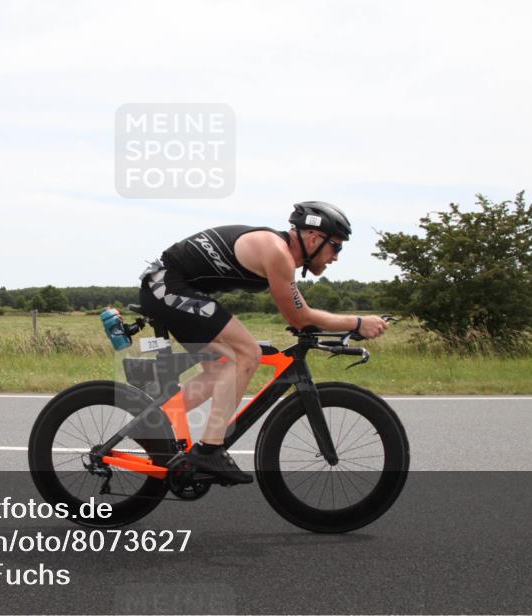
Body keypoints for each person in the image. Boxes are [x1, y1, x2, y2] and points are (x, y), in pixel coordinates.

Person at [137, 201, 389, 484]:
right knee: (248, 353)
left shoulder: (278, 252)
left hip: (170, 286)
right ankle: (209, 450)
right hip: (165, 285)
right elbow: (300, 317)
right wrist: (357, 323)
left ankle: (153, 422)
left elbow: (300, 313)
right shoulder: (277, 252)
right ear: (315, 239)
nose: (336, 257)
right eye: (337, 247)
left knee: (223, 367)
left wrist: (342, 325)